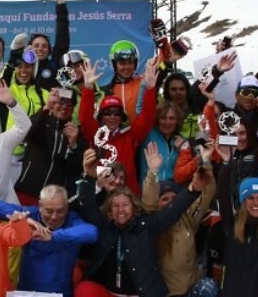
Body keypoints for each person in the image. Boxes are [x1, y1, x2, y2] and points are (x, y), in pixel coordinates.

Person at [74, 148, 206, 297]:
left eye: (125, 205)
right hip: (108, 292)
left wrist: (193, 191)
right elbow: (87, 204)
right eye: (116, 206)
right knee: (84, 289)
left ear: (134, 208)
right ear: (109, 211)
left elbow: (173, 211)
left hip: (138, 294)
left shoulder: (146, 226)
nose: (120, 210)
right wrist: (89, 176)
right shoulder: (104, 226)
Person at [0, 185, 97, 297]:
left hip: (59, 293)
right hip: (25, 291)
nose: (54, 216)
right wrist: (25, 219)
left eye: (60, 211)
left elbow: (92, 232)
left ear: (67, 207)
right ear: (40, 206)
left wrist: (54, 236)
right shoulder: (32, 214)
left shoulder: (72, 220)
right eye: (49, 211)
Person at [141, 142, 218, 297]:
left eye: (174, 198)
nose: (171, 202)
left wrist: (206, 162)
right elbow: (148, 203)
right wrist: (153, 172)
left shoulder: (187, 218)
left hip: (191, 288)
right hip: (167, 293)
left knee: (209, 287)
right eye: (165, 199)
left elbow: (207, 194)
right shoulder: (153, 225)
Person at [78, 59, 159, 195]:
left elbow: (148, 118)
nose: (112, 117)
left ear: (122, 117)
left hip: (129, 195)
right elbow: (84, 118)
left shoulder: (131, 135)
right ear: (101, 116)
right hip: (102, 195)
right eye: (108, 113)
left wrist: (150, 89)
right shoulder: (95, 134)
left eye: (117, 113)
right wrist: (88, 87)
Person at [15, 87, 84, 205]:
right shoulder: (42, 119)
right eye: (61, 102)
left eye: (69, 104)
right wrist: (46, 107)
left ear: (73, 108)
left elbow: (75, 171)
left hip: (53, 199)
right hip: (26, 191)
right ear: (53, 103)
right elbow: (28, 132)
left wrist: (73, 145)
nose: (64, 107)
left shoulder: (76, 133)